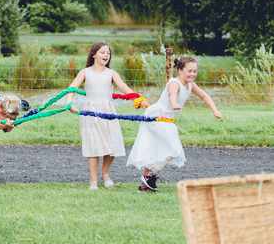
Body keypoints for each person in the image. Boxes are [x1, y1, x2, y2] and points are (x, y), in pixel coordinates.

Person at [127, 56, 222, 192]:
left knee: (164, 150)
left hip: (168, 120)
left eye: (195, 71)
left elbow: (204, 96)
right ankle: (149, 176)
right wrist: (174, 104)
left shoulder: (190, 85)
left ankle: (147, 179)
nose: (192, 74)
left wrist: (215, 110)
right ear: (180, 70)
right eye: (189, 71)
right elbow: (172, 95)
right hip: (156, 117)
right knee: (173, 150)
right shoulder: (174, 83)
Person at [68, 42, 148, 190]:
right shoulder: (85, 72)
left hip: (108, 111)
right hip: (90, 112)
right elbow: (72, 87)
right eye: (102, 52)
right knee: (93, 145)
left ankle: (105, 175)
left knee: (112, 144)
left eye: (108, 53)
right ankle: (93, 181)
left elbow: (125, 88)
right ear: (94, 55)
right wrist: (69, 103)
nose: (106, 55)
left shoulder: (111, 73)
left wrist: (138, 99)